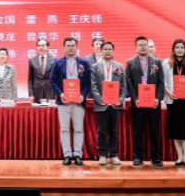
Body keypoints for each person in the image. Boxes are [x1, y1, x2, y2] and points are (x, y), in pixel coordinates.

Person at [50, 36, 91, 166]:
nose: (70, 48)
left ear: (77, 47)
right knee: (64, 129)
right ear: (64, 47)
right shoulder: (58, 62)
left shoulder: (84, 63)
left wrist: (83, 94)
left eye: (73, 45)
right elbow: (52, 80)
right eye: (68, 46)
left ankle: (78, 154)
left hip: (78, 101)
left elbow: (88, 82)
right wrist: (60, 93)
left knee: (78, 129)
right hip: (63, 101)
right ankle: (67, 155)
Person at [126, 36, 165, 167]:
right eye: (140, 45)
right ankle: (138, 156)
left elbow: (161, 81)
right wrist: (134, 98)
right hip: (137, 103)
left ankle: (156, 157)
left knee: (155, 130)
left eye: (145, 45)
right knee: (138, 131)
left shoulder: (157, 62)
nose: (143, 47)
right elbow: (128, 82)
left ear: (148, 47)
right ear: (136, 47)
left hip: (153, 103)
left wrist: (158, 98)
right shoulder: (130, 62)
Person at [162, 39, 185, 167]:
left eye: (182, 47)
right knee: (175, 128)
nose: (179, 50)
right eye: (177, 47)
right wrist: (168, 92)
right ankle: (179, 157)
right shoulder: (166, 62)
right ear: (173, 49)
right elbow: (164, 81)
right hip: (173, 100)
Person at [90, 41, 126, 166]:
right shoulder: (95, 67)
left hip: (115, 104)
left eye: (110, 49)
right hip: (101, 104)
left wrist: (121, 99)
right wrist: (99, 99)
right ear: (101, 51)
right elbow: (93, 85)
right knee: (102, 131)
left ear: (113, 51)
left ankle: (114, 155)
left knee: (114, 131)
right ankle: (102, 155)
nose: (107, 51)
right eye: (105, 49)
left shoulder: (119, 66)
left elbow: (124, 86)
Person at [28, 38, 55, 103]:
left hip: (50, 91)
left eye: (43, 45)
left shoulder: (54, 60)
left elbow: (57, 78)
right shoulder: (32, 60)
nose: (41, 48)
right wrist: (31, 94)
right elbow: (30, 79)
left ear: (48, 47)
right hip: (37, 92)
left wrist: (57, 93)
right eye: (39, 46)